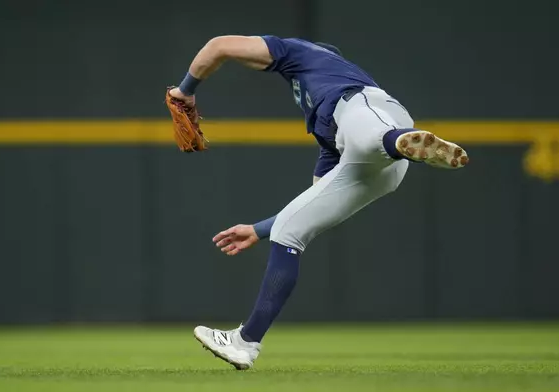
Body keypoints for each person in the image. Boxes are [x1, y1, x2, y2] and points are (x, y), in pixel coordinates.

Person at [168, 35, 468, 370]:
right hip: (375, 166)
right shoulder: (322, 128)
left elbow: (219, 46)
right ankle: (245, 343)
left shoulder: (304, 54)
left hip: (370, 111)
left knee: (366, 128)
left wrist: (185, 91)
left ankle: (397, 141)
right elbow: (314, 199)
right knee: (291, 229)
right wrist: (260, 229)